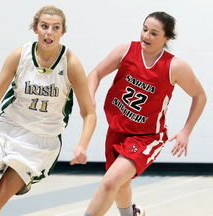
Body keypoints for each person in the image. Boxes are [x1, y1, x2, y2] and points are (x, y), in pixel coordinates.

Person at [0, 5, 96, 216]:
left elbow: (89, 112)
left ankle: (18, 175)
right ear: (35, 28)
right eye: (44, 26)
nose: (49, 32)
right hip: (8, 125)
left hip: (40, 140)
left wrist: (82, 145)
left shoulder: (71, 63)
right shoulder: (20, 55)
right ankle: (8, 165)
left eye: (55, 27)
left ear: (63, 32)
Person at [84, 11, 207, 216]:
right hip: (116, 130)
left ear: (167, 38)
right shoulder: (125, 51)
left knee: (111, 181)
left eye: (154, 33)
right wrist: (90, 96)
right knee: (121, 184)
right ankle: (131, 214)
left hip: (146, 136)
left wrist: (186, 131)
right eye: (144, 29)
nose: (146, 36)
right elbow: (95, 73)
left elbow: (200, 95)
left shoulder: (174, 66)